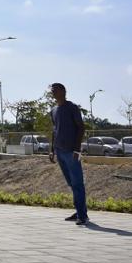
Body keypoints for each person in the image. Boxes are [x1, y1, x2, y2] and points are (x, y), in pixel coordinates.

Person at [48, 82, 88, 225]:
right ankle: (79, 211)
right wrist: (52, 150)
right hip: (59, 151)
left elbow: (81, 128)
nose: (52, 93)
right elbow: (54, 130)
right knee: (72, 183)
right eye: (52, 91)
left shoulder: (72, 107)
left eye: (55, 90)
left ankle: (82, 216)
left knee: (77, 183)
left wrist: (77, 149)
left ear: (63, 91)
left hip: (71, 152)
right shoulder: (53, 110)